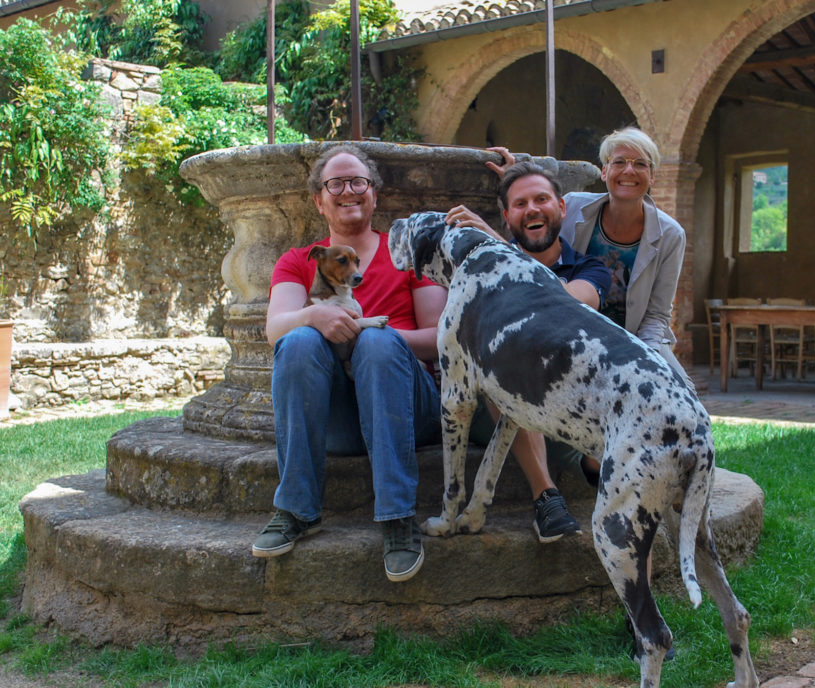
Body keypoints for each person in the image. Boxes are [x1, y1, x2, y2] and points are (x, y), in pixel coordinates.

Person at [485, 128, 686, 661]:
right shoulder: (574, 207)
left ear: (652, 173)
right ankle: (551, 496)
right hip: (564, 347)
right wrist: (514, 169)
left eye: (639, 163)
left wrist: (646, 365)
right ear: (603, 170)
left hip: (624, 351)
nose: (627, 172)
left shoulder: (669, 235)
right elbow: (534, 206)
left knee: (632, 467)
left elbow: (659, 318)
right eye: (618, 161)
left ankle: (640, 608)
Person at [251, 144, 447, 584]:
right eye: (334, 184)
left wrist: (370, 333)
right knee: (299, 340)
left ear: (374, 194)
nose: (347, 191)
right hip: (339, 420)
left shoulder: (408, 255)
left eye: (358, 181)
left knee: (376, 344)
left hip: (408, 408)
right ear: (319, 200)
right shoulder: (298, 261)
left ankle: (398, 516)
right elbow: (275, 330)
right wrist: (313, 315)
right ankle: (295, 510)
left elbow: (439, 338)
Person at [445, 162, 612, 543]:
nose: (532, 209)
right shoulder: (483, 271)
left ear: (562, 207)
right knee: (503, 365)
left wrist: (494, 242)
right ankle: (547, 498)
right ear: (507, 217)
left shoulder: (590, 268)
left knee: (605, 457)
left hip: (571, 406)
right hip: (500, 406)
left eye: (541, 199)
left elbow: (562, 306)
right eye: (520, 204)